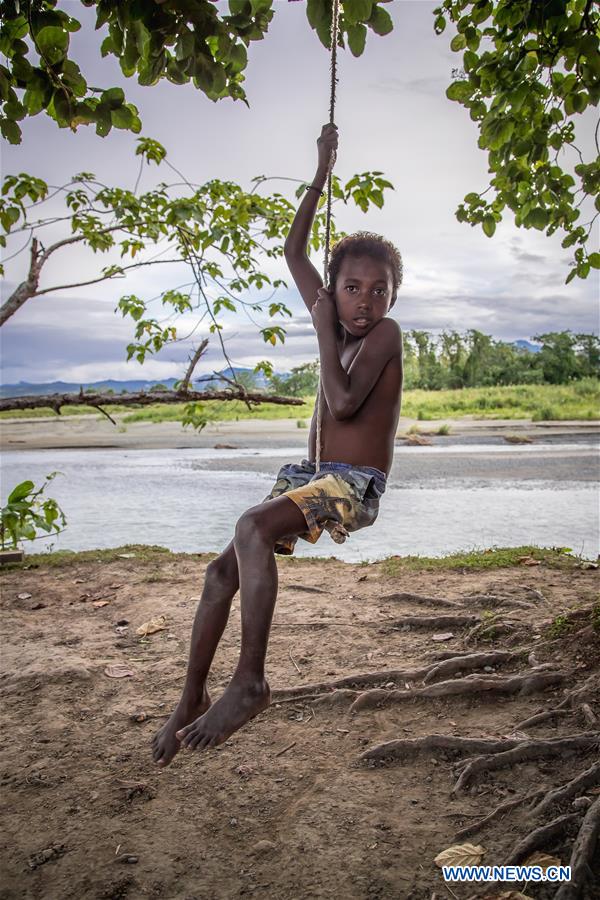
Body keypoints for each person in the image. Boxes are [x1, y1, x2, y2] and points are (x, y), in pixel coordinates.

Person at [152, 124, 403, 766]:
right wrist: (321, 172)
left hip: (352, 484)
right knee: (220, 572)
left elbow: (343, 401)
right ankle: (189, 699)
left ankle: (251, 680)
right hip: (313, 475)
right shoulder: (336, 314)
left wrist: (323, 327)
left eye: (380, 290)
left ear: (393, 297)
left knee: (251, 526)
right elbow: (294, 251)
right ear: (336, 287)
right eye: (351, 288)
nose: (365, 301)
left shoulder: (383, 337)